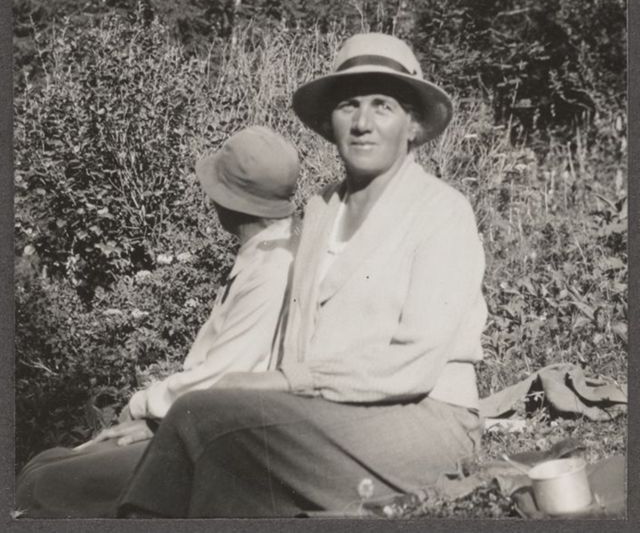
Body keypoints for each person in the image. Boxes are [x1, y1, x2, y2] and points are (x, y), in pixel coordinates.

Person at [118, 32, 488, 519]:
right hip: (325, 416)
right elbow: (292, 340)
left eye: (382, 106)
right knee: (212, 442)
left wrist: (287, 383)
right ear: (331, 122)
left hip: (426, 422)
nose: (362, 123)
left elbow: (412, 367)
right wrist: (177, 419)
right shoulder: (319, 209)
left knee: (203, 419)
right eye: (349, 105)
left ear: (413, 125)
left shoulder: (442, 211)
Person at [15, 125, 300, 518]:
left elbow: (222, 379)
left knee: (43, 483)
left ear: (232, 201)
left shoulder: (271, 269)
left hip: (225, 444)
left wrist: (143, 406)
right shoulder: (271, 250)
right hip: (203, 425)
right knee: (49, 464)